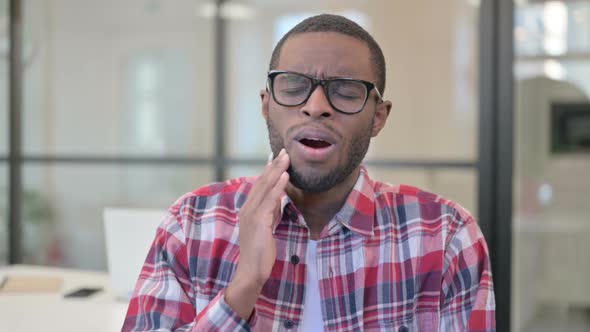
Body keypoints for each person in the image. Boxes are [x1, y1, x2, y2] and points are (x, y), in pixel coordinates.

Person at [122, 14, 495, 332]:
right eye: (294, 86)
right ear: (267, 106)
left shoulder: (446, 236)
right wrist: (244, 287)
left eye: (346, 91)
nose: (316, 107)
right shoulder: (191, 223)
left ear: (378, 116)